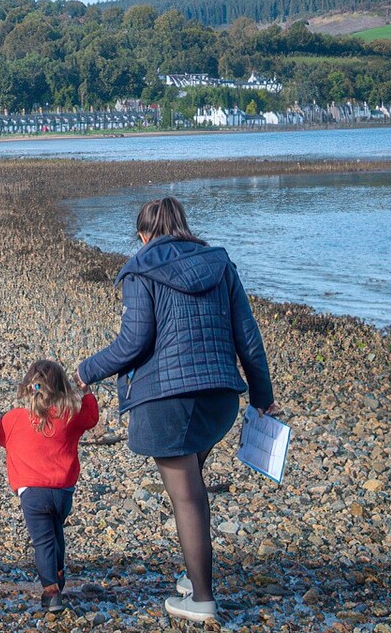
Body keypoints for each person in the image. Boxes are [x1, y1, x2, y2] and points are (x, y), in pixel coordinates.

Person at [77, 197, 278, 624]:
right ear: (183, 226)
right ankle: (194, 575)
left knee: (187, 496)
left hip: (169, 399)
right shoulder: (219, 263)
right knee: (193, 485)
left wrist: (85, 371)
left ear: (143, 235)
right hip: (220, 397)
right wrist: (262, 395)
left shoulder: (140, 267)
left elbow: (134, 342)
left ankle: (202, 599)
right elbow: (248, 335)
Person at [0, 359, 99, 613]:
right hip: (63, 491)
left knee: (43, 541)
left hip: (32, 494)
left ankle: (51, 591)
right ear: (62, 388)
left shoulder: (14, 419)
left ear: (28, 387)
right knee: (56, 533)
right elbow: (92, 416)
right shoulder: (70, 415)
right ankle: (58, 573)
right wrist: (86, 390)